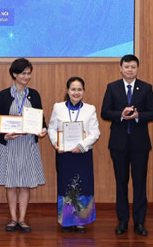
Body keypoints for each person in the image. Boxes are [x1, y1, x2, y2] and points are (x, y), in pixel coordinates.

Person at [100, 54, 153, 237]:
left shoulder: (146, 88)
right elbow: (104, 112)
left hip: (140, 145)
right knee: (121, 183)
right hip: (118, 144)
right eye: (127, 67)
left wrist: (138, 115)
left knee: (140, 183)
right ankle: (123, 221)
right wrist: (121, 114)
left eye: (133, 67)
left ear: (137, 68)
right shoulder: (112, 87)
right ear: (121, 68)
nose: (130, 70)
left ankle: (140, 222)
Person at [0, 58, 47, 233]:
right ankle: (13, 218)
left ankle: (22, 219)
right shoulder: (4, 95)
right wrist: (3, 134)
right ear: (14, 74)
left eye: (29, 73)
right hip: (10, 145)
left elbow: (41, 119)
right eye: (23, 73)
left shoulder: (34, 94)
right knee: (11, 183)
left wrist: (43, 129)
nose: (27, 77)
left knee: (25, 183)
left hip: (28, 144)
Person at [48, 76, 101, 234]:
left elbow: (95, 132)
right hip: (64, 154)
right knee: (66, 187)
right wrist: (56, 144)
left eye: (79, 89)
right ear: (68, 91)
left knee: (83, 186)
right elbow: (52, 128)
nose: (76, 92)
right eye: (73, 89)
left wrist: (82, 145)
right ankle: (66, 221)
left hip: (82, 154)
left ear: (83, 91)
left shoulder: (90, 109)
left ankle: (80, 222)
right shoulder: (58, 107)